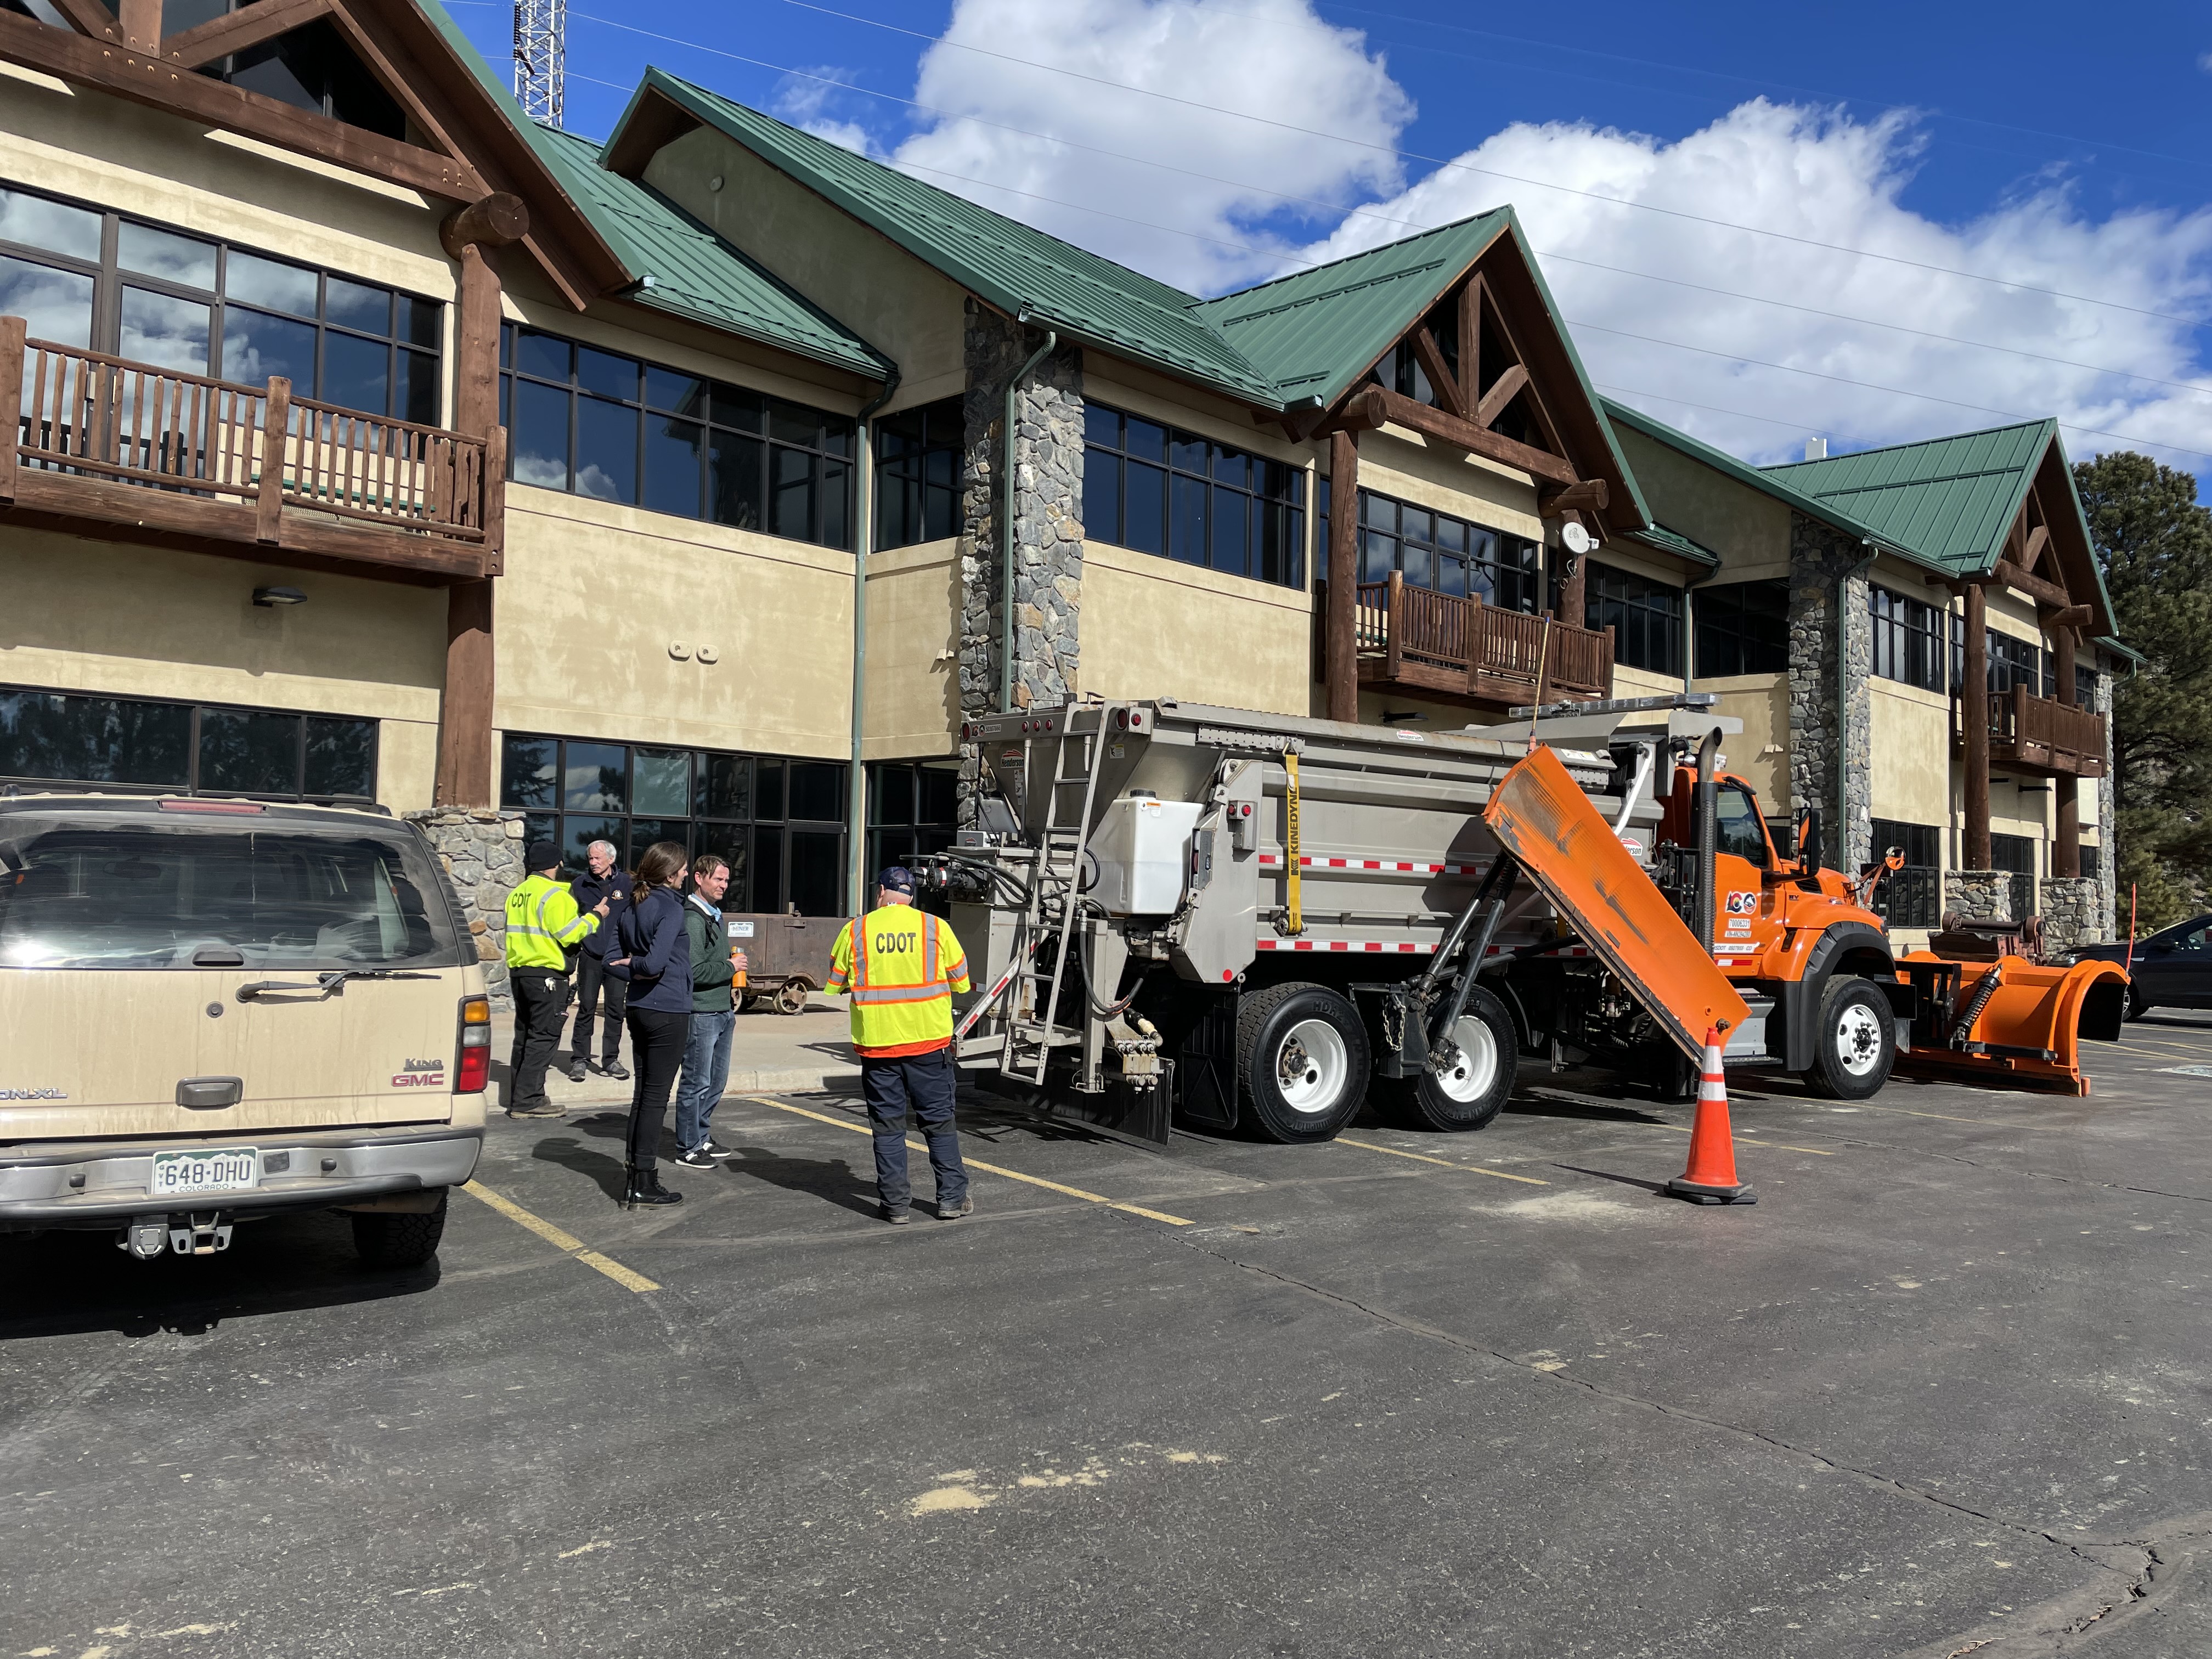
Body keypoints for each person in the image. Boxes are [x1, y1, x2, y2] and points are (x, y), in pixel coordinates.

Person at [825, 866, 974, 1224]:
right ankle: (951, 1200)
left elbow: (835, 981)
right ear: (911, 896)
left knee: (888, 1127)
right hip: (928, 1044)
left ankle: (895, 1206)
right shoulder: (936, 928)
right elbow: (962, 981)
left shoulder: (857, 929)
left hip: (879, 1048)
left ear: (881, 892)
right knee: (939, 1123)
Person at [604, 840, 692, 1208]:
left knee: (643, 1096)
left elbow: (610, 957)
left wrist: (630, 969)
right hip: (667, 1010)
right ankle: (644, 1180)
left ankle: (635, 1175)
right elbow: (654, 964)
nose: (687, 874)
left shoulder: (632, 905)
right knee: (655, 1099)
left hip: (639, 1007)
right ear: (670, 874)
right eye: (683, 869)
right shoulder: (670, 907)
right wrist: (639, 968)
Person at [503, 842, 608, 1120]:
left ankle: (520, 1095)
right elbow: (569, 934)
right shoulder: (554, 895)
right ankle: (529, 1101)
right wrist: (596, 916)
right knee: (544, 1037)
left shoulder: (517, 894)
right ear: (558, 864)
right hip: (547, 974)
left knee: (524, 1037)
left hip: (521, 972)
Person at [673, 854, 741, 1169]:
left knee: (716, 1081)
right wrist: (729, 967)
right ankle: (688, 1147)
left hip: (722, 1010)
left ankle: (701, 1136)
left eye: (726, 880)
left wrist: (731, 976)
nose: (724, 886)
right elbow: (695, 971)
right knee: (696, 1082)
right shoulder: (693, 917)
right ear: (699, 878)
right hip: (702, 1013)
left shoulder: (714, 915)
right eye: (718, 879)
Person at [566, 839, 631, 1084]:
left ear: (611, 860)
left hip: (617, 959)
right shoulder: (579, 885)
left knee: (615, 1010)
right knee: (586, 1008)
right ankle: (580, 1060)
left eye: (598, 859)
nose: (593, 863)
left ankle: (611, 1060)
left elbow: (635, 918)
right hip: (590, 957)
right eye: (590, 859)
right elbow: (570, 920)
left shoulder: (626, 883)